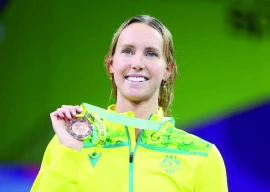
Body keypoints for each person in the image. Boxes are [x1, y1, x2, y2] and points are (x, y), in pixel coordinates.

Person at [31, 15, 228, 192]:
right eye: (127, 51)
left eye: (151, 53)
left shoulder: (202, 156)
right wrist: (69, 152)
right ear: (111, 64)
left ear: (167, 70)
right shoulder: (70, 141)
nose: (137, 63)